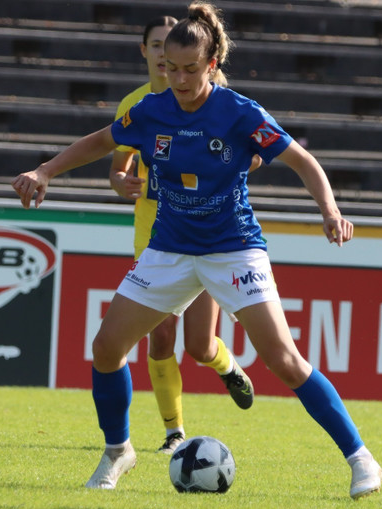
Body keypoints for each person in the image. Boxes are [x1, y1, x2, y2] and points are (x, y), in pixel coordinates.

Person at [13, 0, 382, 498]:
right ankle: (118, 451)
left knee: (284, 360)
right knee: (106, 349)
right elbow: (100, 142)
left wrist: (330, 211)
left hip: (233, 249)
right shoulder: (152, 109)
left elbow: (302, 160)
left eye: (191, 69)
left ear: (212, 65)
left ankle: (361, 459)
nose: (180, 79)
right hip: (168, 250)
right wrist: (44, 171)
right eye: (171, 68)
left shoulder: (239, 112)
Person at [109, 15, 256, 456]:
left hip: (205, 234)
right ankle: (174, 430)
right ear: (145, 51)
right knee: (159, 337)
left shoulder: (216, 103)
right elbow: (117, 167)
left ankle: (225, 365)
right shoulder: (136, 105)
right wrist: (121, 182)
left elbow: (253, 154)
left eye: (167, 48)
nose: (162, 56)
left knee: (199, 345)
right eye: (155, 46)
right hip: (154, 238)